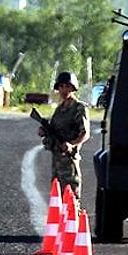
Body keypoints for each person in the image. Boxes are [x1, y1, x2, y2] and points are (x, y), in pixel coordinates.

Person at [38, 71, 90, 201]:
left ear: (73, 88)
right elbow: (54, 128)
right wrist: (44, 131)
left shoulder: (79, 108)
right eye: (61, 86)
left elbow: (85, 133)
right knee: (57, 197)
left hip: (68, 159)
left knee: (71, 196)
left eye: (67, 86)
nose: (64, 90)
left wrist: (72, 144)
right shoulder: (59, 109)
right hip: (56, 159)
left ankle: (73, 221)